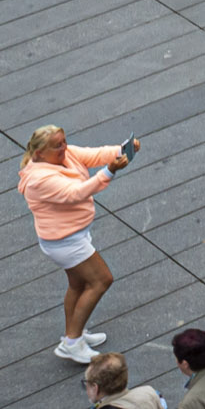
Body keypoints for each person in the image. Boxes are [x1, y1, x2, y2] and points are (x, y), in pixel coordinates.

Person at [19, 128, 133, 363]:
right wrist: (109, 172)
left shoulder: (61, 154)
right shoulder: (40, 180)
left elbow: (91, 155)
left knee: (78, 285)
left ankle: (74, 334)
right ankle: (71, 342)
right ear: (40, 152)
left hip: (71, 235)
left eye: (64, 142)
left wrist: (121, 150)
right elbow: (76, 194)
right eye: (58, 145)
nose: (65, 148)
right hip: (65, 241)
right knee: (102, 280)